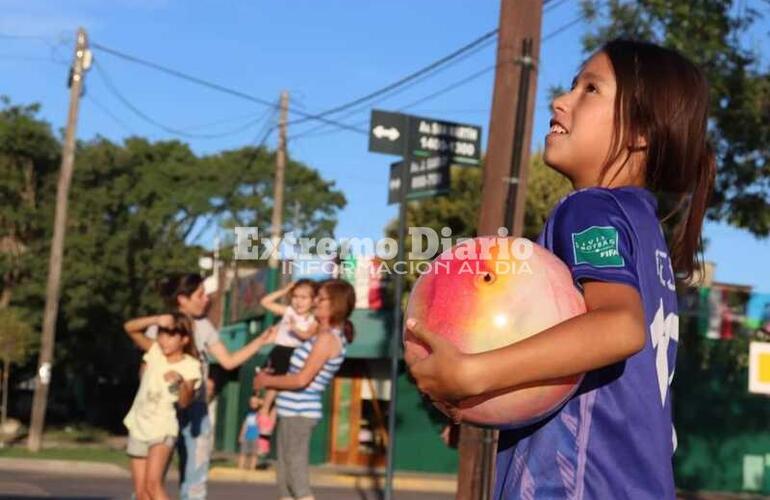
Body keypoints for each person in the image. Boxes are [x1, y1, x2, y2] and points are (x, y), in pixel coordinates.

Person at [405, 39, 715, 499]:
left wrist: (474, 374)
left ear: (641, 131)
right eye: (573, 84)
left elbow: (618, 328)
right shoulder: (645, 230)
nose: (561, 99)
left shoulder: (588, 209)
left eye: (591, 89)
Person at [126, 273, 276, 500]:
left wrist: (260, 341)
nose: (206, 299)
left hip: (194, 410)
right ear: (182, 299)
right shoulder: (162, 326)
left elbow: (229, 361)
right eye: (200, 294)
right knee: (148, 486)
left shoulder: (203, 326)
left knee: (193, 484)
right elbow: (146, 366)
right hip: (160, 412)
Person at [253, 279, 355, 500]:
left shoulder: (328, 339)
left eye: (321, 297)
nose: (315, 301)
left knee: (297, 482)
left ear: (335, 304)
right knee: (285, 482)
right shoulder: (321, 334)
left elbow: (301, 379)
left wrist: (267, 381)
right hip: (290, 411)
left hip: (300, 413)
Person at [123, 312, 201, 500]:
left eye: (171, 335)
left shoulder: (190, 365)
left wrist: (180, 382)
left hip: (163, 428)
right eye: (161, 334)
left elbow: (184, 402)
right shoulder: (155, 352)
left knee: (153, 485)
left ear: (184, 339)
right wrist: (156, 320)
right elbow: (129, 328)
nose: (164, 340)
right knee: (141, 493)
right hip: (139, 424)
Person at [258, 280, 319, 453]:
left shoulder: (313, 319)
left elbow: (308, 335)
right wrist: (284, 290)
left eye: (304, 297)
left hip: (297, 354)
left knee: (284, 392)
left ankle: (266, 432)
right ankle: (263, 411)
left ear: (313, 300)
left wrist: (294, 329)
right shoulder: (289, 311)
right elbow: (265, 302)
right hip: (281, 351)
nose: (298, 301)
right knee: (274, 385)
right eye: (295, 297)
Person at [237, 395, 263, 470]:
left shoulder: (260, 413)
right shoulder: (247, 413)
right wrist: (241, 435)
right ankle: (240, 468)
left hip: (256, 437)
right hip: (246, 436)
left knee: (254, 454)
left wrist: (260, 401)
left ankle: (252, 469)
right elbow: (244, 425)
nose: (253, 404)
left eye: (255, 403)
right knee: (243, 453)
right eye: (252, 403)